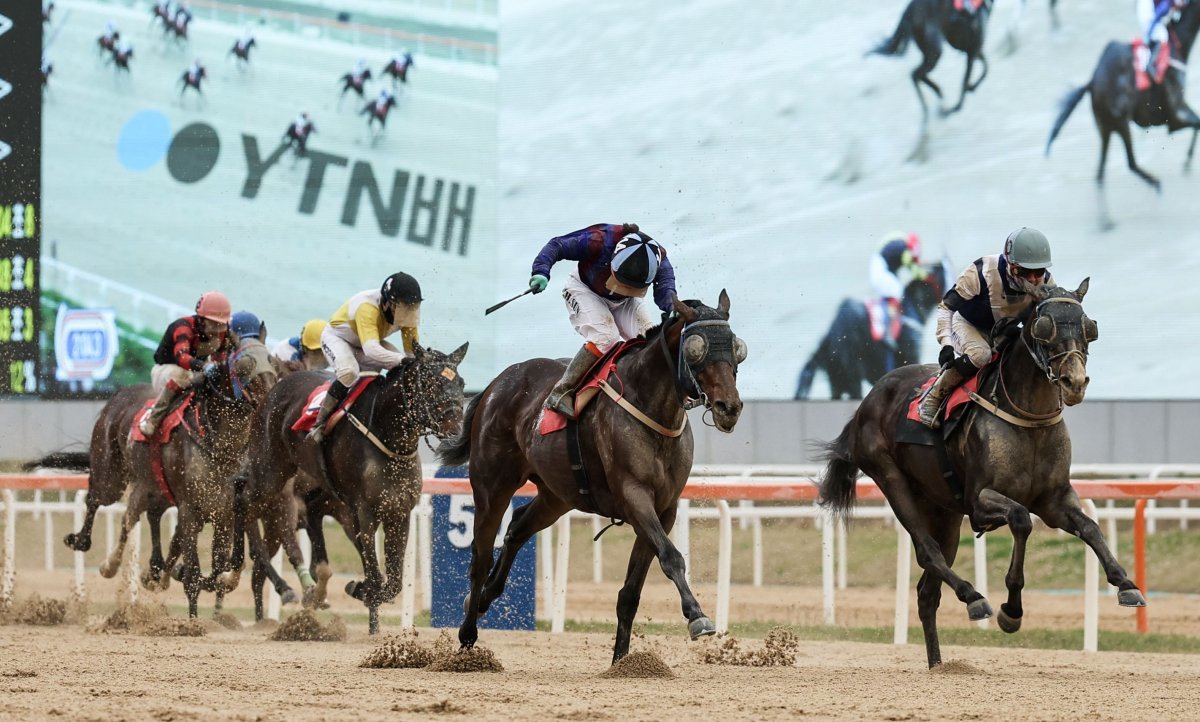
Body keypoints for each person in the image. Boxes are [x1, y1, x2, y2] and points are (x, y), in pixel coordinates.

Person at [528, 222, 677, 418]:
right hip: (584, 289)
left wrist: (673, 308)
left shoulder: (661, 261)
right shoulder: (599, 240)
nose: (623, 286)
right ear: (614, 258)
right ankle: (562, 390)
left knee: (649, 341)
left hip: (625, 302)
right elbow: (557, 245)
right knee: (606, 337)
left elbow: (666, 289)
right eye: (622, 282)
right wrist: (541, 271)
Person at [917, 227, 1056, 428]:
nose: (1035, 279)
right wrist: (946, 344)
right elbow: (946, 307)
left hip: (1001, 332)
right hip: (967, 324)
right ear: (1012, 266)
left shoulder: (1047, 282)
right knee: (980, 355)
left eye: (1040, 271)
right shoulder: (981, 271)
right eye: (1027, 272)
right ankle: (934, 396)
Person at [306, 272, 423, 442]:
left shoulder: (407, 313)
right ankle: (319, 424)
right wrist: (402, 360)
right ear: (386, 303)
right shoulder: (367, 307)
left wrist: (422, 361)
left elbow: (412, 353)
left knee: (404, 368)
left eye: (411, 307)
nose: (407, 314)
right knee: (349, 372)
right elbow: (372, 350)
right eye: (403, 308)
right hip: (338, 340)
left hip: (365, 342)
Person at [139, 291, 234, 437]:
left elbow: (221, 357)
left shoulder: (223, 332)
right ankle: (152, 419)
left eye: (220, 325)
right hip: (167, 370)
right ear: (202, 319)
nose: (217, 331)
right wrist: (205, 367)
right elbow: (182, 358)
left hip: (195, 369)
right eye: (213, 325)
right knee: (181, 375)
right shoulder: (183, 326)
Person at [868, 231, 926, 346]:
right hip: (880, 269)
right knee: (897, 291)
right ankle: (887, 327)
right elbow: (912, 268)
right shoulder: (904, 249)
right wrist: (925, 276)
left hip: (879, 266)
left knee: (894, 290)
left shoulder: (901, 242)